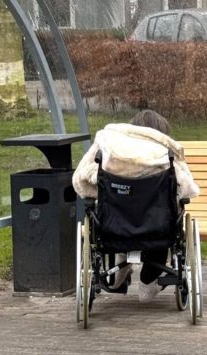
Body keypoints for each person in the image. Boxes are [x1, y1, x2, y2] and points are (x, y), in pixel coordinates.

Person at [73, 109, 199, 302]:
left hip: (114, 228)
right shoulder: (166, 154)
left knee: (111, 213)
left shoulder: (109, 146)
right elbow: (187, 190)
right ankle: (148, 283)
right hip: (156, 229)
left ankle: (118, 266)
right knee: (165, 216)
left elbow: (80, 181)